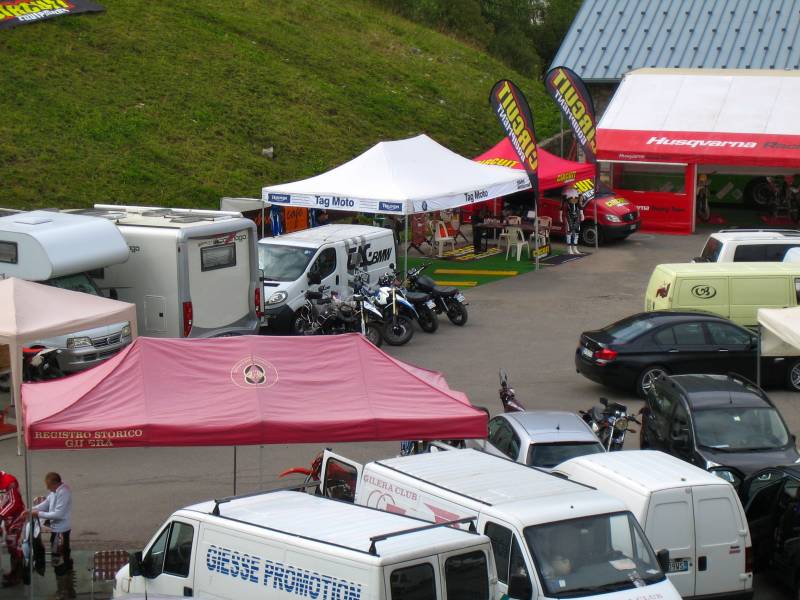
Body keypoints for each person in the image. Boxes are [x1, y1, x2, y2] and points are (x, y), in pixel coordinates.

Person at [25, 472, 74, 599]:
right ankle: (67, 589)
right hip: (56, 530)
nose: (47, 488)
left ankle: (63, 592)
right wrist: (30, 510)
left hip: (61, 531)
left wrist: (38, 514)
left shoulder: (64, 493)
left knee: (59, 561)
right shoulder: (55, 491)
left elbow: (58, 514)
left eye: (48, 485)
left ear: (55, 483)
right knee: (63, 558)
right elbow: (46, 504)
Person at [0, 471, 25, 587]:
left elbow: (15, 503)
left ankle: (18, 575)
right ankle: (15, 572)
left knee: (12, 543)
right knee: (11, 544)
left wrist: (0, 515)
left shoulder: (9, 481)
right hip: (6, 516)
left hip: (16, 516)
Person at [561, 187, 584, 255]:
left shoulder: (578, 193)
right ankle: (569, 248)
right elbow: (561, 206)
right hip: (569, 215)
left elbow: (580, 205)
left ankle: (575, 248)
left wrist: (582, 214)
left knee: (577, 231)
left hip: (577, 216)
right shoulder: (565, 193)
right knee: (569, 231)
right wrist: (560, 216)